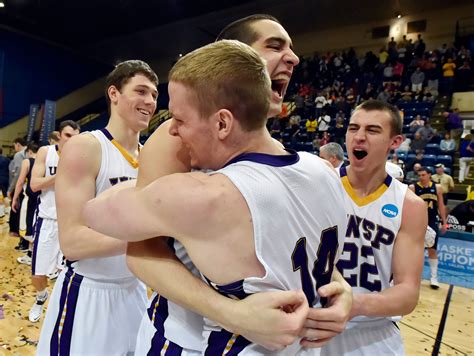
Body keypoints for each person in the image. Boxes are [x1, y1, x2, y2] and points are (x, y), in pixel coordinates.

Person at [84, 40, 348, 354]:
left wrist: (150, 176)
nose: (172, 131)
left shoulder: (206, 195)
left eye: (179, 121)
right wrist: (342, 287)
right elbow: (307, 248)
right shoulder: (323, 170)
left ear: (222, 122)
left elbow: (94, 213)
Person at [36, 61, 158, 355]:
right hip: (89, 290)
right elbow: (73, 242)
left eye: (154, 95)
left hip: (136, 291)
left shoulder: (153, 156)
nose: (150, 101)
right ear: (113, 93)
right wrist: (151, 238)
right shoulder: (86, 146)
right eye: (141, 91)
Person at [321, 100, 427, 355]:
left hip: (372, 334)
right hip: (314, 325)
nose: (359, 137)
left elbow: (407, 293)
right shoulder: (320, 184)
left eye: (372, 130)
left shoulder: (409, 205)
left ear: (395, 142)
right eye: (353, 128)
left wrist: (352, 304)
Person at [28, 120, 80, 323]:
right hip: (47, 219)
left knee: (66, 274)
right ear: (59, 135)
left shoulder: (82, 157)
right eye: (68, 136)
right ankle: (41, 297)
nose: (71, 141)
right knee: (37, 275)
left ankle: (60, 312)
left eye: (75, 137)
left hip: (71, 221)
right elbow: (34, 185)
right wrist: (60, 176)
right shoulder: (45, 152)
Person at [409, 167, 447, 289]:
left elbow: (441, 205)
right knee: (415, 251)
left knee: (432, 249)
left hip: (432, 221)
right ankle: (414, 278)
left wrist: (444, 221)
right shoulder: (413, 187)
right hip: (417, 221)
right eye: (419, 175)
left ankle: (433, 278)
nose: (421, 177)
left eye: (423, 175)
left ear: (429, 175)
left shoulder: (437, 188)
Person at [12, 142, 40, 266]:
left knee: (28, 227)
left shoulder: (28, 162)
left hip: (31, 199)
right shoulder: (46, 161)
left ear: (29, 152)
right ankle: (31, 254)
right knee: (37, 227)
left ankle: (31, 256)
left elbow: (20, 181)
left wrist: (15, 198)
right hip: (43, 199)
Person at [8, 137, 27, 241]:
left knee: (15, 206)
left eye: (14, 145)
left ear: (18, 144)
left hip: (20, 186)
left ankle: (15, 230)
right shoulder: (27, 153)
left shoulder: (19, 155)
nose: (14, 148)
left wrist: (11, 189)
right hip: (26, 186)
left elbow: (18, 174)